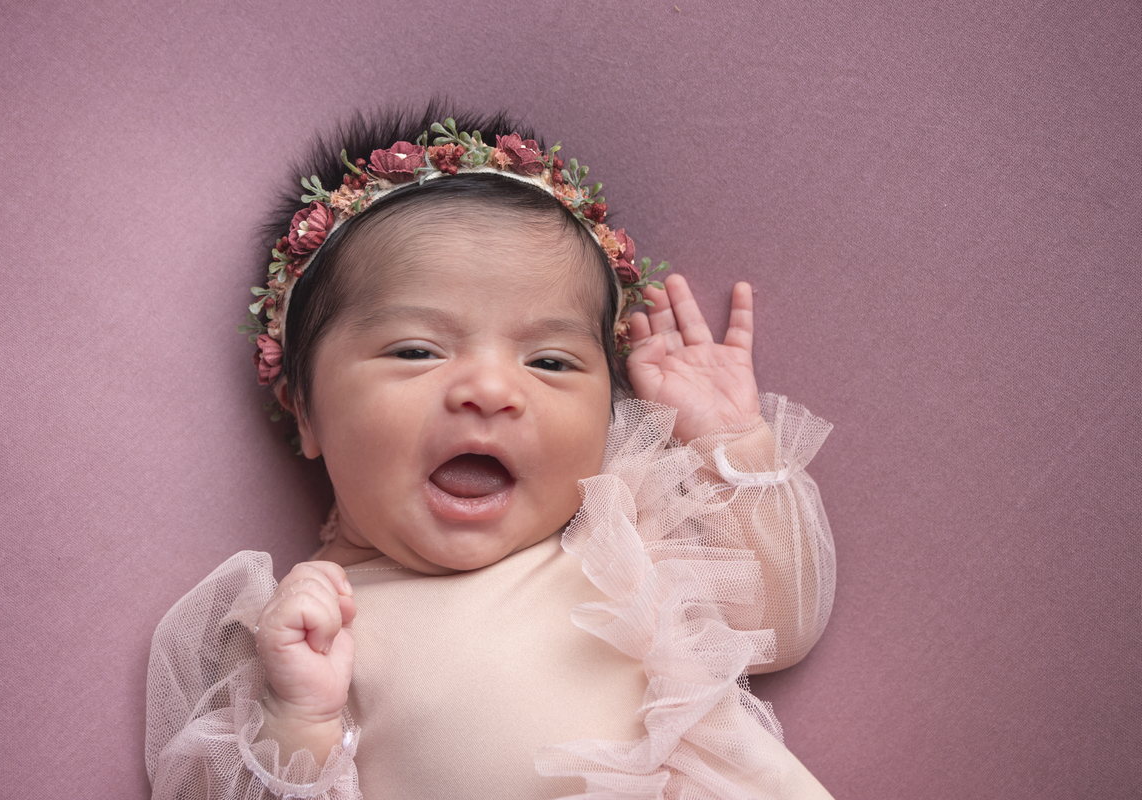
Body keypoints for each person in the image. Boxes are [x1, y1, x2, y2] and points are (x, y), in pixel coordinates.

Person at [145, 105, 837, 799]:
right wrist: (297, 721)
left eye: (551, 362)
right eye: (416, 350)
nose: (491, 390)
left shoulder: (622, 543)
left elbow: (779, 624)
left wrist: (730, 441)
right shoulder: (305, 637)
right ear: (305, 408)